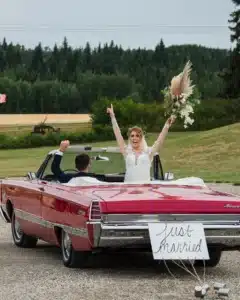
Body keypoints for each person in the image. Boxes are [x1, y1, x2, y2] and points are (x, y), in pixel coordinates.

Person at [107, 104, 175, 182]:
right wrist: (113, 117)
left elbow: (159, 141)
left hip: (144, 191)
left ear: (141, 138)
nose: (134, 138)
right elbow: (118, 135)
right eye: (132, 136)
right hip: (128, 190)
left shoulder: (148, 152)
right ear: (129, 138)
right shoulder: (126, 151)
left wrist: (167, 125)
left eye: (137, 136)